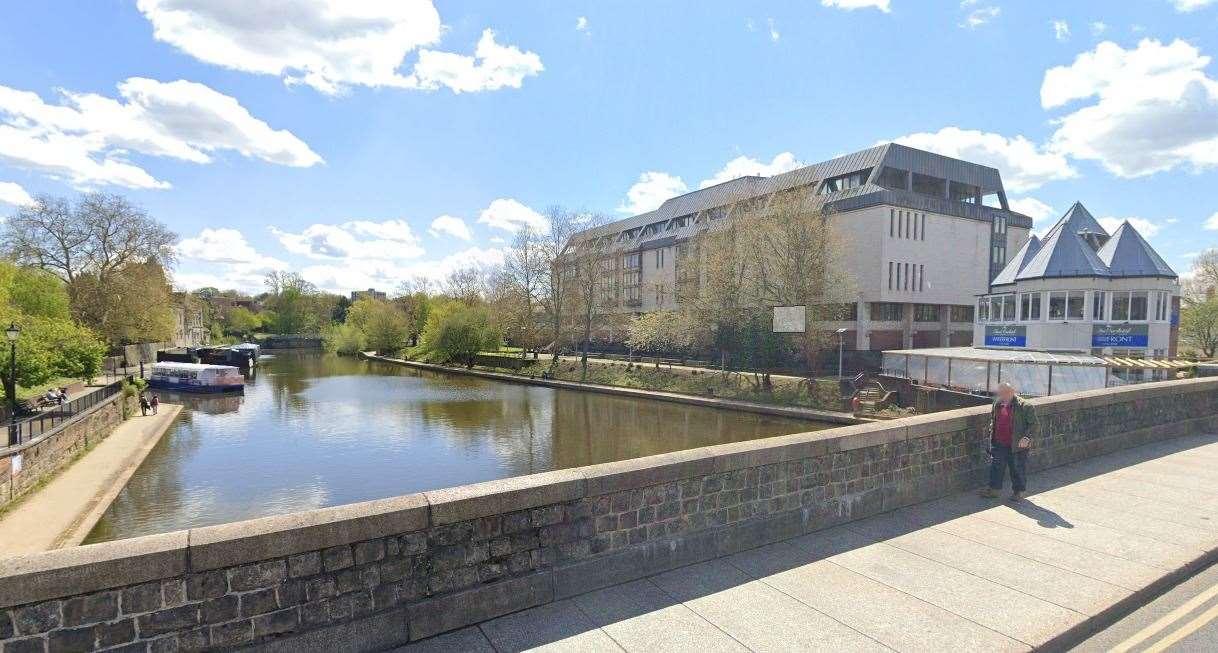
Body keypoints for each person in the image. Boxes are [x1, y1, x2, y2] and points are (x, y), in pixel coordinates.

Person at [981, 382, 1039, 502]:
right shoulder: (997, 403)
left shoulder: (1025, 406)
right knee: (996, 467)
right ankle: (994, 490)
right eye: (1001, 392)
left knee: (1017, 469)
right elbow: (994, 420)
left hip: (1016, 445)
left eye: (1005, 392)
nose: (1002, 395)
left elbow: (1034, 425)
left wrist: (1027, 438)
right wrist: (991, 435)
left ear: (1012, 392)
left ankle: (1019, 492)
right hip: (999, 443)